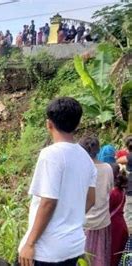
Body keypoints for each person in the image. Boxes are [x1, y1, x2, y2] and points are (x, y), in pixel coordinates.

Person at [18, 97, 97, 266]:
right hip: (73, 245)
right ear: (77, 124)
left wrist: (30, 244)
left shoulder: (50, 155)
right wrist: (69, 215)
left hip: (48, 250)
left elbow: (48, 202)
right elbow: (91, 199)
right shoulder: (86, 158)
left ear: (49, 124)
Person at [79, 136, 114, 266]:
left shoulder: (80, 170)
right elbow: (109, 189)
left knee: (82, 260)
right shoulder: (108, 168)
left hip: (83, 222)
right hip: (102, 221)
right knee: (100, 259)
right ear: (98, 150)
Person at [110, 163, 128, 266]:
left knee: (112, 255)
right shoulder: (121, 191)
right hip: (121, 226)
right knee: (118, 256)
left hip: (114, 228)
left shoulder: (113, 193)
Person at [116, 135, 132, 228]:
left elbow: (118, 160)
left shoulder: (128, 157)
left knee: (128, 218)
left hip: (130, 190)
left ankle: (129, 240)